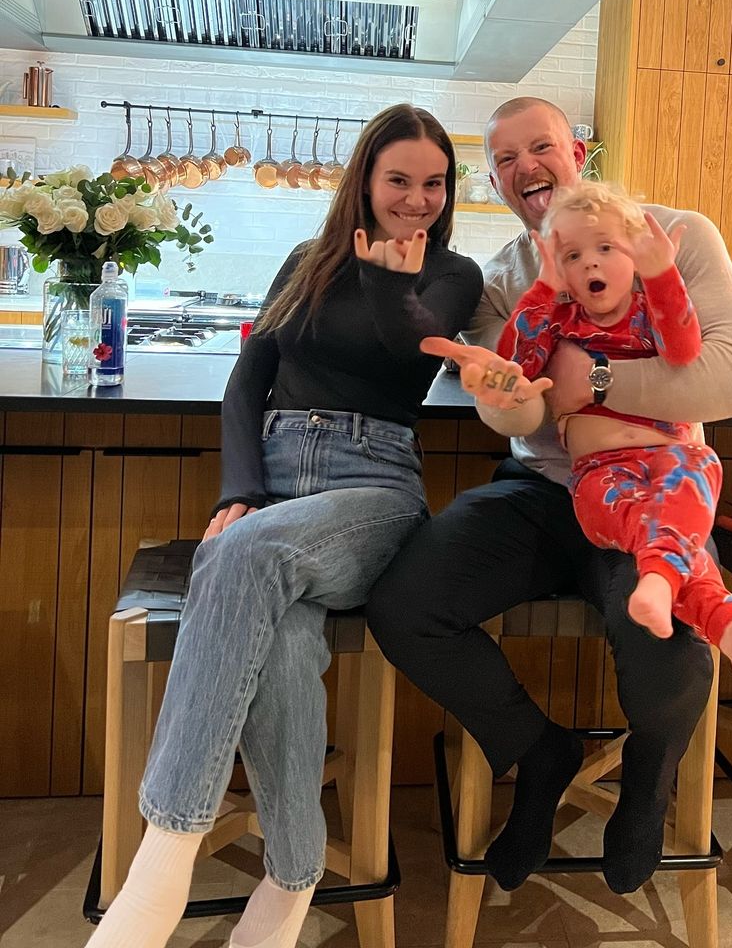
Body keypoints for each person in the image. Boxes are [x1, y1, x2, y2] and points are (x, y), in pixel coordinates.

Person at [87, 103, 482, 948]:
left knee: (242, 555)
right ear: (365, 182)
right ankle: (294, 879)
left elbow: (409, 353)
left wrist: (386, 278)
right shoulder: (307, 261)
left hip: (373, 491)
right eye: (399, 180)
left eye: (434, 183)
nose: (418, 199)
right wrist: (240, 488)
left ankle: (163, 858)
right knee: (287, 633)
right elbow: (246, 381)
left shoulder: (452, 273)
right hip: (274, 481)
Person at [366, 96, 732, 896]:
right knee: (405, 606)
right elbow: (510, 409)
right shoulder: (500, 279)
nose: (528, 169)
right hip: (540, 490)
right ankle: (538, 750)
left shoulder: (671, 236)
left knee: (673, 646)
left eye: (541, 147)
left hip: (656, 489)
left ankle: (647, 787)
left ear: (576, 151)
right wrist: (509, 392)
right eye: (507, 160)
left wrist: (599, 380)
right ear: (493, 181)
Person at [472, 180, 732, 680]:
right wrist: (542, 289)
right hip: (600, 478)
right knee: (669, 535)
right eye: (571, 255)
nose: (590, 263)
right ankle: (712, 610)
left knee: (690, 486)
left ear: (632, 256)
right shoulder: (557, 320)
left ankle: (724, 624)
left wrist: (662, 275)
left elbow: (683, 349)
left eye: (606, 248)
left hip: (672, 463)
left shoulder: (648, 312)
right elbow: (519, 361)